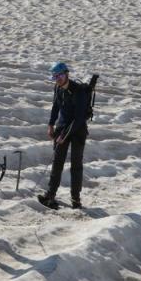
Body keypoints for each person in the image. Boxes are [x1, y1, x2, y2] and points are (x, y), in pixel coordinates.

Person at [38, 62, 93, 210]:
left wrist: (64, 135)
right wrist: (51, 125)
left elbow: (79, 118)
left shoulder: (79, 91)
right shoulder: (58, 88)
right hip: (62, 127)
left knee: (76, 164)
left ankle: (76, 199)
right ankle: (50, 194)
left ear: (66, 74)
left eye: (60, 75)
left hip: (78, 131)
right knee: (57, 162)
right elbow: (56, 106)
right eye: (55, 76)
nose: (58, 79)